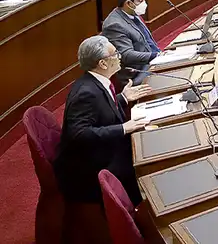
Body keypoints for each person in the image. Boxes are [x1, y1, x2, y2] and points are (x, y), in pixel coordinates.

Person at [54, 36, 152, 207]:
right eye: (115, 54)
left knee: (144, 146)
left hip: (101, 150)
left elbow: (102, 108)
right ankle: (144, 211)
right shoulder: (86, 93)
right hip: (89, 170)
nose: (120, 56)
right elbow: (79, 134)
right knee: (144, 161)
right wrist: (123, 128)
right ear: (103, 64)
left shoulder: (96, 82)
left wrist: (122, 98)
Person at [101, 0, 161, 82]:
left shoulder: (132, 13)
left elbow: (147, 41)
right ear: (128, 3)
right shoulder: (114, 25)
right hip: (137, 74)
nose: (144, 4)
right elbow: (126, 55)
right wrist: (155, 56)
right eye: (140, 1)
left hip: (152, 63)